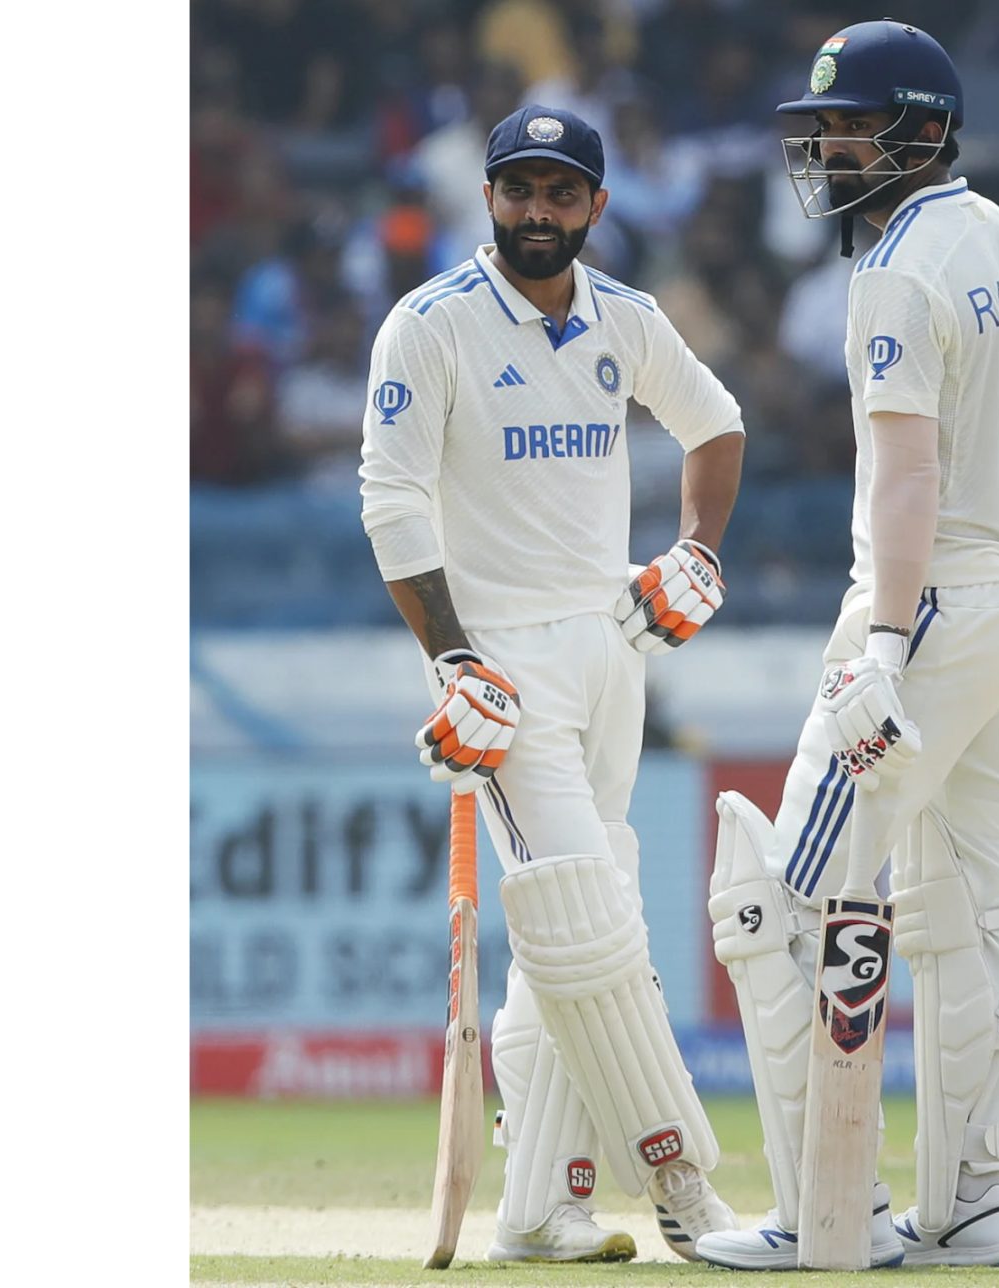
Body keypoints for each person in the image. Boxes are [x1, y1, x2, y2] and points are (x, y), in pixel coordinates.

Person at [694, 20, 999, 1271]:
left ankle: (825, 1212)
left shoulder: (896, 272)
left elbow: (906, 476)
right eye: (823, 130)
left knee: (781, 903)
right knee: (973, 904)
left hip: (932, 612)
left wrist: (887, 647)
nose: (830, 151)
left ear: (925, 130)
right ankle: (970, 1208)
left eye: (854, 127)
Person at [357, 104, 748, 1264]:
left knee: (569, 934)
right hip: (504, 667)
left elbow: (716, 424)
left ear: (596, 205)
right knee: (588, 918)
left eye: (560, 192)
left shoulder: (627, 317)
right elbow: (391, 496)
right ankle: (684, 1184)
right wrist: (453, 658)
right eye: (519, 190)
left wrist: (697, 549)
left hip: (612, 647)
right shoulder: (430, 324)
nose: (538, 211)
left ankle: (536, 1211)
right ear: (487, 197)